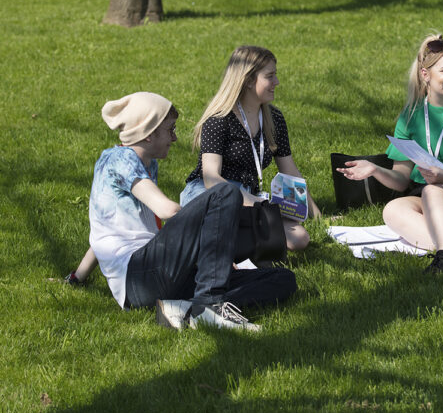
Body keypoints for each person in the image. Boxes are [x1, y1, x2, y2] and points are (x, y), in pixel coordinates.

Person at [80, 91, 296, 330]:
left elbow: (102, 227)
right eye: (170, 129)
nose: (174, 138)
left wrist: (76, 277)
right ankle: (209, 305)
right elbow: (167, 210)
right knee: (225, 193)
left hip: (156, 275)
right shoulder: (119, 159)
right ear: (149, 133)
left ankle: (185, 308)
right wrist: (212, 242)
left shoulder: (145, 164)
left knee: (282, 279)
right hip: (139, 278)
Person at [337, 34, 443, 273]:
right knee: (393, 209)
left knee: (432, 192)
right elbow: (401, 180)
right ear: (425, 75)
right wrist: (374, 169)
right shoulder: (410, 115)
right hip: (428, 194)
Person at [181, 45, 321, 250]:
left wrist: (317, 216)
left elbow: (289, 171)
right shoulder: (219, 119)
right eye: (269, 76)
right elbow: (211, 178)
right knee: (232, 228)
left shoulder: (275, 119)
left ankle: (233, 242)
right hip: (212, 195)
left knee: (299, 238)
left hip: (250, 198)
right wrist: (257, 204)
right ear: (247, 80)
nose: (277, 82)